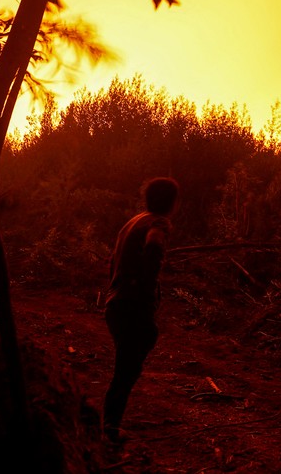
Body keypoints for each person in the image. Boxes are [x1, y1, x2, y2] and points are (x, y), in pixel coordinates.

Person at [103, 177, 179, 441]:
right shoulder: (158, 223)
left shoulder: (133, 221)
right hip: (131, 305)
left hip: (116, 303)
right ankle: (109, 428)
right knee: (128, 366)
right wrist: (146, 290)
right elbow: (155, 246)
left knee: (126, 365)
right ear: (171, 203)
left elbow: (113, 260)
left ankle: (109, 424)